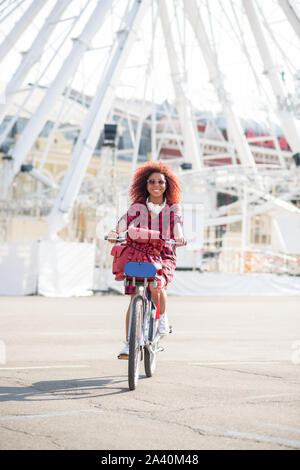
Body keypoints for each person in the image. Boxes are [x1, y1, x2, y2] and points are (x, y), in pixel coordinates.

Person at [107, 161, 185, 359]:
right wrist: (116, 232)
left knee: (156, 285)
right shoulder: (138, 206)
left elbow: (176, 225)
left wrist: (179, 237)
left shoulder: (173, 208)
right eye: (151, 181)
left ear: (168, 185)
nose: (156, 185)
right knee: (134, 297)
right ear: (145, 184)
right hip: (138, 251)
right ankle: (129, 343)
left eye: (161, 181)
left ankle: (162, 317)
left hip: (163, 252)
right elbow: (125, 219)